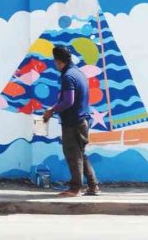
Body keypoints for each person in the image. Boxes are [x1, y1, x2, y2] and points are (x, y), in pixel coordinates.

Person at [43, 45, 100, 197]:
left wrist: (52, 110)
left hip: (73, 122)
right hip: (82, 120)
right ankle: (93, 186)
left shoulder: (68, 76)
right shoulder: (78, 73)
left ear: (57, 61)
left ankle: (75, 188)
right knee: (80, 154)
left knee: (72, 154)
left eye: (55, 61)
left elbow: (68, 101)